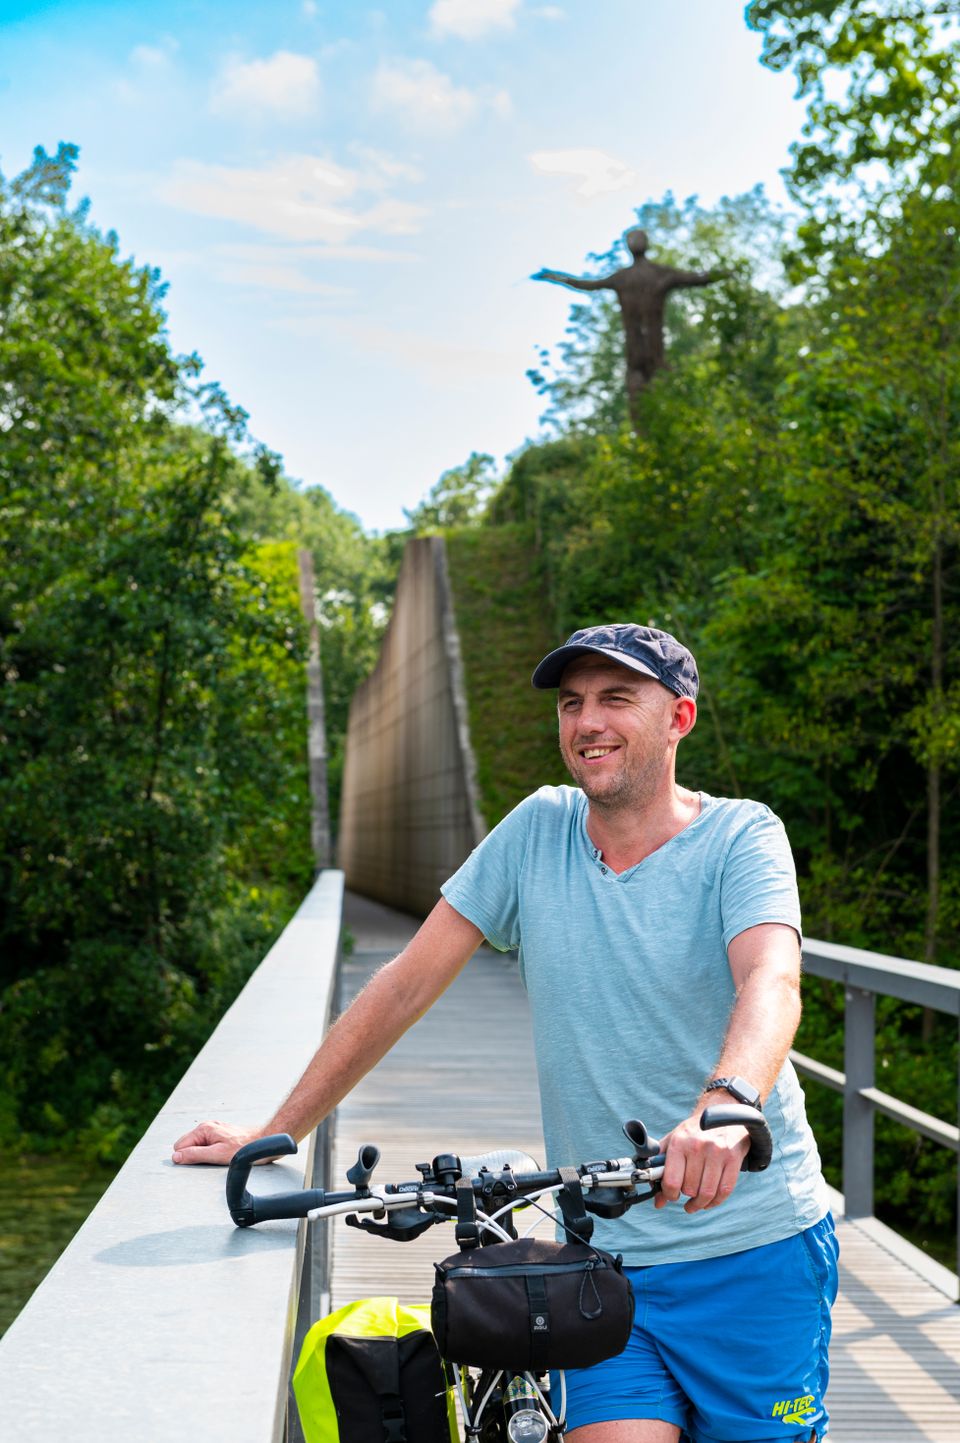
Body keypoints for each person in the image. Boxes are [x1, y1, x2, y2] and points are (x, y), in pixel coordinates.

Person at [173, 622, 836, 1443]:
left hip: (753, 1250)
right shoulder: (537, 832)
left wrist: (726, 1103)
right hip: (603, 1261)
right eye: (571, 703)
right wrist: (280, 1128)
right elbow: (406, 981)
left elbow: (771, 978)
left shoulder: (742, 836)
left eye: (615, 699)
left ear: (679, 720)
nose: (586, 720)